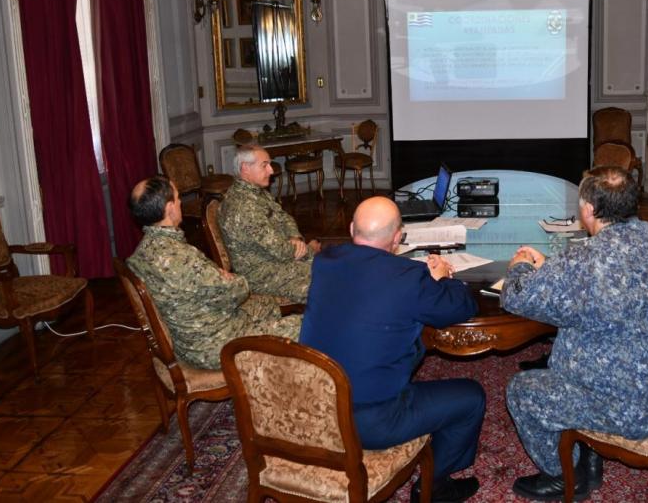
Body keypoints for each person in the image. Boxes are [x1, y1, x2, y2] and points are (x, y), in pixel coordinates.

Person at [503, 166, 648, 501]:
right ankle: (589, 456)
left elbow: (516, 297)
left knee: (522, 390)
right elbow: (619, 286)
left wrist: (520, 265)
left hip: (635, 408)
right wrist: (550, 266)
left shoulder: (586, 259)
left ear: (589, 210)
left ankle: (564, 476)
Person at [300, 196, 484, 503]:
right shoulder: (407, 278)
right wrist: (442, 279)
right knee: (471, 396)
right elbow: (461, 308)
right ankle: (435, 485)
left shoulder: (325, 261)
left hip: (317, 407)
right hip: (372, 422)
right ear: (397, 238)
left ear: (350, 228)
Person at [126, 175, 301, 370]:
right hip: (217, 346)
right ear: (169, 208)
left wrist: (218, 277)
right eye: (177, 197)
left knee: (267, 305)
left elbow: (202, 287)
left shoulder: (139, 254)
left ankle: (268, 375)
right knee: (303, 326)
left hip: (190, 338)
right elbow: (237, 292)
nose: (181, 201)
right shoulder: (181, 258)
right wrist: (232, 279)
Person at [218, 144, 317, 303]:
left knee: (333, 269)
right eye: (264, 165)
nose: (271, 170)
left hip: (279, 260)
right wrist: (307, 249)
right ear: (245, 168)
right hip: (263, 275)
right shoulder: (243, 207)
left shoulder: (256, 192)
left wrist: (295, 237)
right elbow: (281, 251)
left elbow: (284, 217)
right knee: (329, 284)